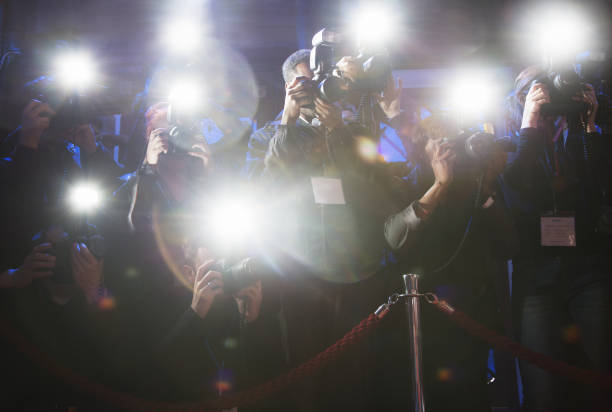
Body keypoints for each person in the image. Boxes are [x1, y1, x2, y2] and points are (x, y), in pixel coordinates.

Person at [383, 114, 519, 411]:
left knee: (470, 394)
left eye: (453, 139)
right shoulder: (405, 182)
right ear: (423, 149)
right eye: (439, 139)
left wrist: (486, 188)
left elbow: (509, 244)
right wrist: (439, 185)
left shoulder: (474, 186)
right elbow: (396, 239)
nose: (449, 147)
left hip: (470, 313)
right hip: (422, 316)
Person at [0, 99, 123, 410]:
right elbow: (15, 195)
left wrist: (94, 290)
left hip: (77, 330)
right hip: (26, 304)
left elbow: (117, 196)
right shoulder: (18, 158)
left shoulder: (74, 160)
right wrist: (16, 277)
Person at [505, 66, 612, 411]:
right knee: (542, 382)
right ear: (521, 97)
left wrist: (590, 123)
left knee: (600, 373)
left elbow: (601, 186)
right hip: (536, 273)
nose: (549, 97)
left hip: (587, 267)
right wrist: (530, 122)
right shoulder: (509, 138)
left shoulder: (581, 133)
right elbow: (518, 185)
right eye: (538, 90)